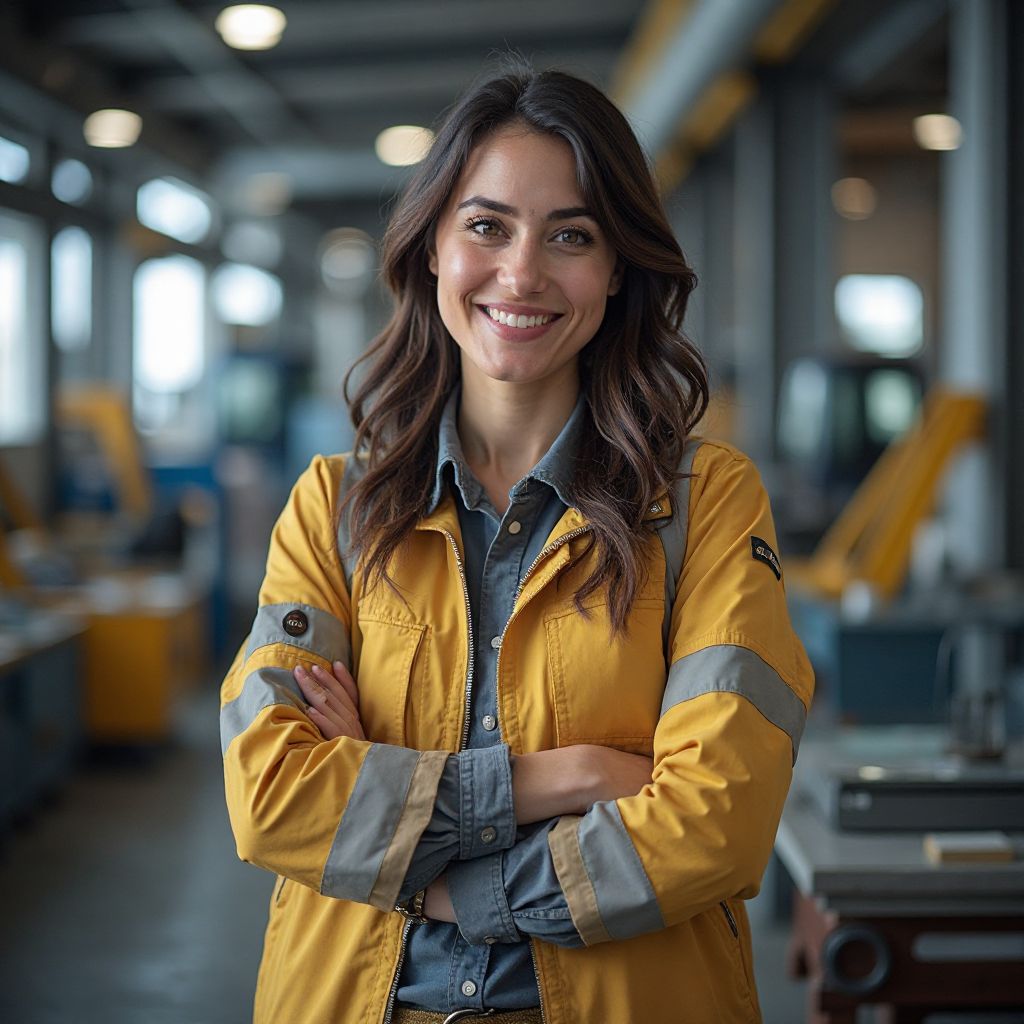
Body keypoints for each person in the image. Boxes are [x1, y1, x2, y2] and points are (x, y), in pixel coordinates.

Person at [220, 63, 814, 1024]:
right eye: (487, 226)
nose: (523, 272)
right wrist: (568, 777)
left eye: (570, 235)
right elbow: (275, 798)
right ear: (432, 252)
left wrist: (445, 878)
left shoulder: (704, 505)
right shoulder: (335, 508)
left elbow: (718, 823)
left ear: (617, 267)